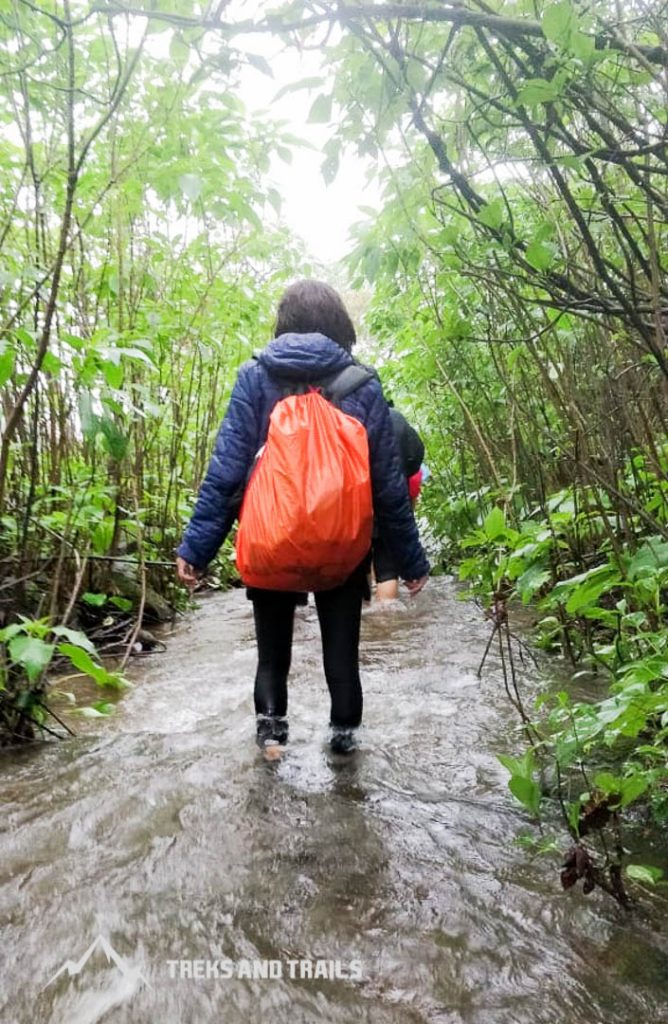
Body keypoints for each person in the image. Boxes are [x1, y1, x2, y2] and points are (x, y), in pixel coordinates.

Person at [176, 280, 429, 756]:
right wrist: (411, 561)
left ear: (284, 323)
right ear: (339, 326)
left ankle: (272, 742)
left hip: (272, 538)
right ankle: (344, 750)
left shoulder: (255, 377)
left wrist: (196, 548)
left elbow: (228, 472)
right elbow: (389, 487)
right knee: (341, 656)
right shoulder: (362, 384)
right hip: (343, 544)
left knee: (272, 657)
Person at [373, 405, 425, 602]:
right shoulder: (395, 419)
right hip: (387, 503)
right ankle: (387, 623)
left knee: (355, 571)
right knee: (387, 571)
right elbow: (416, 453)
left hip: (350, 506)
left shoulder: (342, 413)